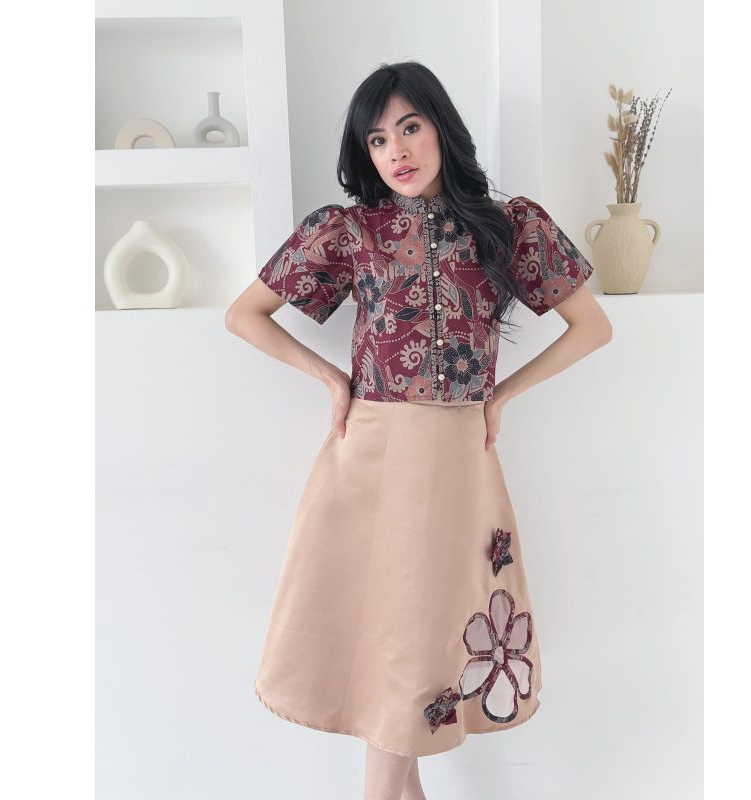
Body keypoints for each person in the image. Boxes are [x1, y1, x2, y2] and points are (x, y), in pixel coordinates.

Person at [225, 61, 612, 800]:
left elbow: (592, 327)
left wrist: (503, 395)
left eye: (409, 127)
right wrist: (331, 378)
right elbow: (244, 315)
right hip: (369, 454)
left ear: (442, 128)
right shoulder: (348, 231)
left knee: (420, 646)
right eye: (377, 139)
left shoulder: (509, 226)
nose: (396, 151)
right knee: (391, 649)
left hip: (459, 459)